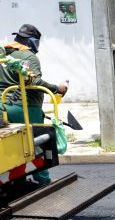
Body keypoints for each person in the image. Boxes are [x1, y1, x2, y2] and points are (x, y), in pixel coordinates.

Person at [0, 24, 68, 186]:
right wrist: (57, 88)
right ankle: (43, 179)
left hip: (4, 106)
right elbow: (34, 81)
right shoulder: (29, 57)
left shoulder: (4, 54)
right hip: (25, 107)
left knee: (13, 145)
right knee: (36, 143)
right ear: (33, 41)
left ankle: (16, 179)